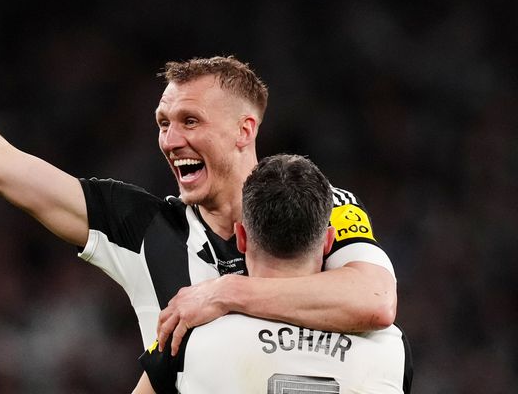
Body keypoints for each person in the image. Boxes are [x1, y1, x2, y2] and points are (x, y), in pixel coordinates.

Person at [0, 0, 396, 375]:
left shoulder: (318, 206)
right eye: (162, 122)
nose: (169, 139)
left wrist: (224, 294)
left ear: (245, 130)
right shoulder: (140, 229)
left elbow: (375, 300)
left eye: (189, 120)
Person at [138, 154, 412, 393]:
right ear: (328, 241)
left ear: (241, 237)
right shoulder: (391, 348)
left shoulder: (187, 335)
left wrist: (225, 290)